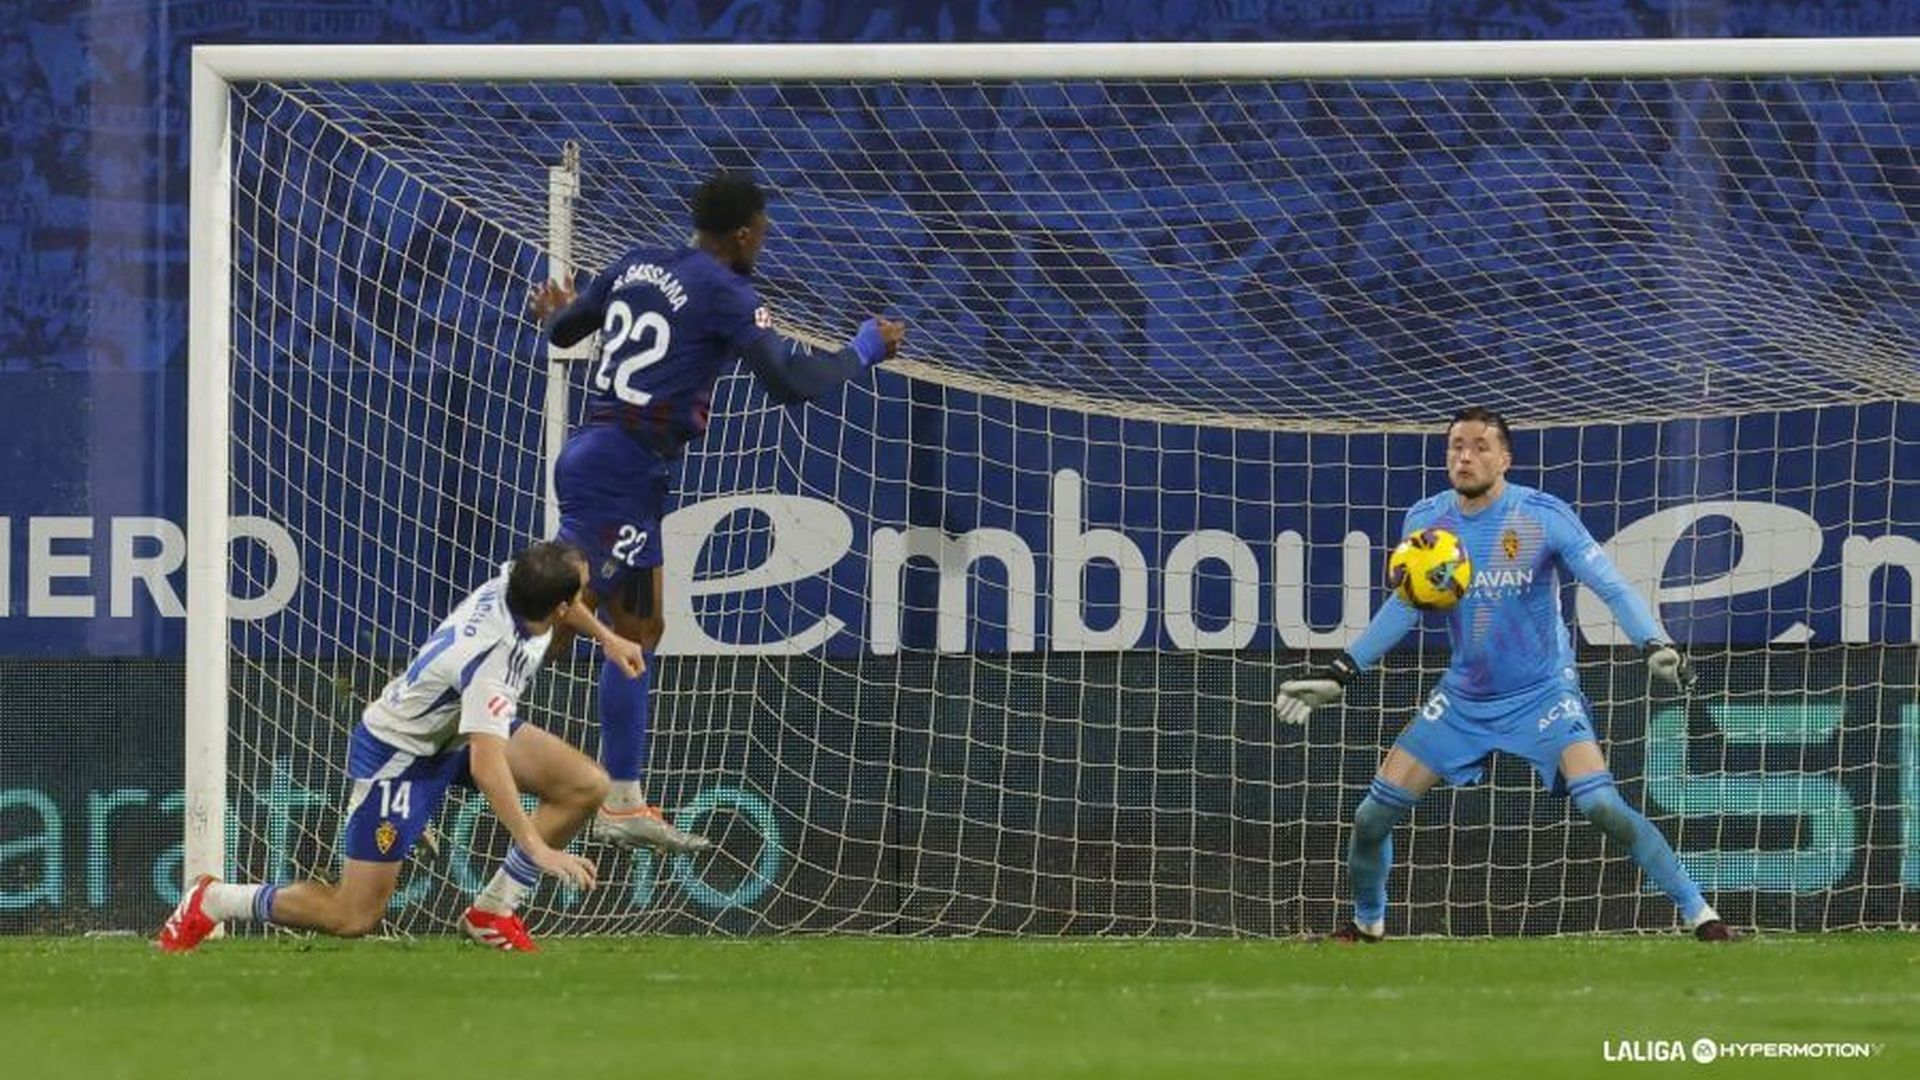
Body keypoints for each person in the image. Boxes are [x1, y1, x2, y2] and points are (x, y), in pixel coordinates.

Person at [530, 171, 906, 853]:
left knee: (638, 629)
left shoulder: (636, 263)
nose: (763, 240)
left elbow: (563, 329)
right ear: (743, 234)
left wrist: (556, 310)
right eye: (762, 231)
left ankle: (622, 800)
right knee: (554, 619)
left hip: (619, 466)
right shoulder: (727, 293)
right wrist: (864, 350)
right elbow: (789, 381)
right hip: (619, 474)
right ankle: (435, 724)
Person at [1274, 406, 1735, 943]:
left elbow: (1609, 585)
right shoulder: (1426, 521)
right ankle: (1366, 922)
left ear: (1505, 458)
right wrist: (1342, 672)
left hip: (1544, 693)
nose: (1465, 457)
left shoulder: (1543, 515)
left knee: (1601, 805)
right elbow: (1405, 603)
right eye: (1456, 446)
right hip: (1464, 699)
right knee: (1370, 817)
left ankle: (1701, 914)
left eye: (1479, 447)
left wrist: (1652, 643)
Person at [157, 541, 635, 954]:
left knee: (584, 785)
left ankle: (493, 911)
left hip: (455, 729)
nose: (584, 598)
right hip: (402, 753)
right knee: (352, 916)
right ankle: (215, 900)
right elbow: (488, 766)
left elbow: (565, 605)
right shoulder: (492, 661)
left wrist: (608, 639)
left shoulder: (518, 580)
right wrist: (537, 849)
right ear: (558, 608)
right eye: (581, 592)